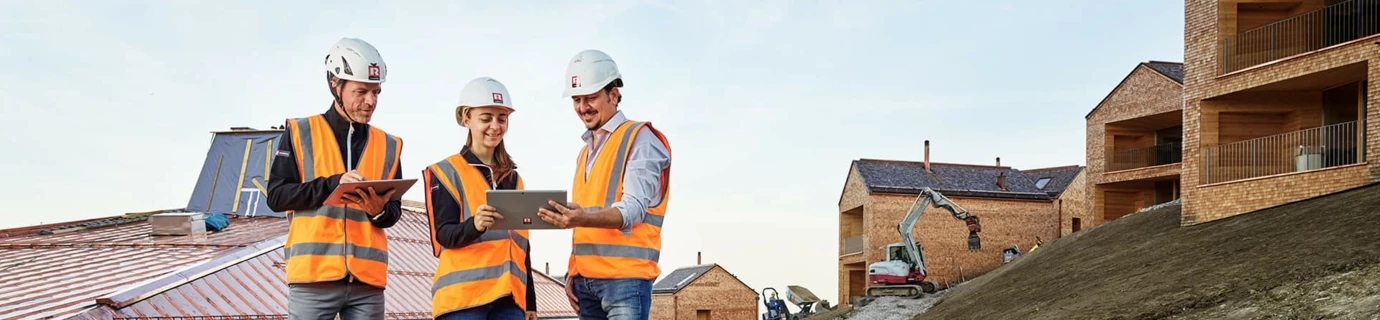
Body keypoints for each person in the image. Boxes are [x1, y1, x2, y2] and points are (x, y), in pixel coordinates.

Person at [266, 37, 404, 320]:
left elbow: (393, 213)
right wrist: (332, 184)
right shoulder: (300, 131)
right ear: (335, 84)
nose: (370, 101)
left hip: (368, 283)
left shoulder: (389, 144)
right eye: (361, 91)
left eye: (376, 92)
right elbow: (277, 197)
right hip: (313, 279)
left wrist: (378, 212)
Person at [537, 49, 672, 320]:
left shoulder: (640, 138)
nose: (582, 107)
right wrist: (572, 271)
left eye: (591, 98)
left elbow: (632, 209)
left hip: (625, 281)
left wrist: (582, 217)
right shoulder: (585, 152)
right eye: (576, 99)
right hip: (586, 282)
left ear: (613, 94)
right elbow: (583, 220)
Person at [423, 77, 537, 320]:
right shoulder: (446, 173)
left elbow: (522, 247)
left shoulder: (514, 180)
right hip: (463, 301)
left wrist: (530, 303)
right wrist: (475, 225)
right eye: (486, 118)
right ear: (466, 119)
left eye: (501, 118)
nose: (495, 126)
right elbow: (442, 235)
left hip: (509, 301)